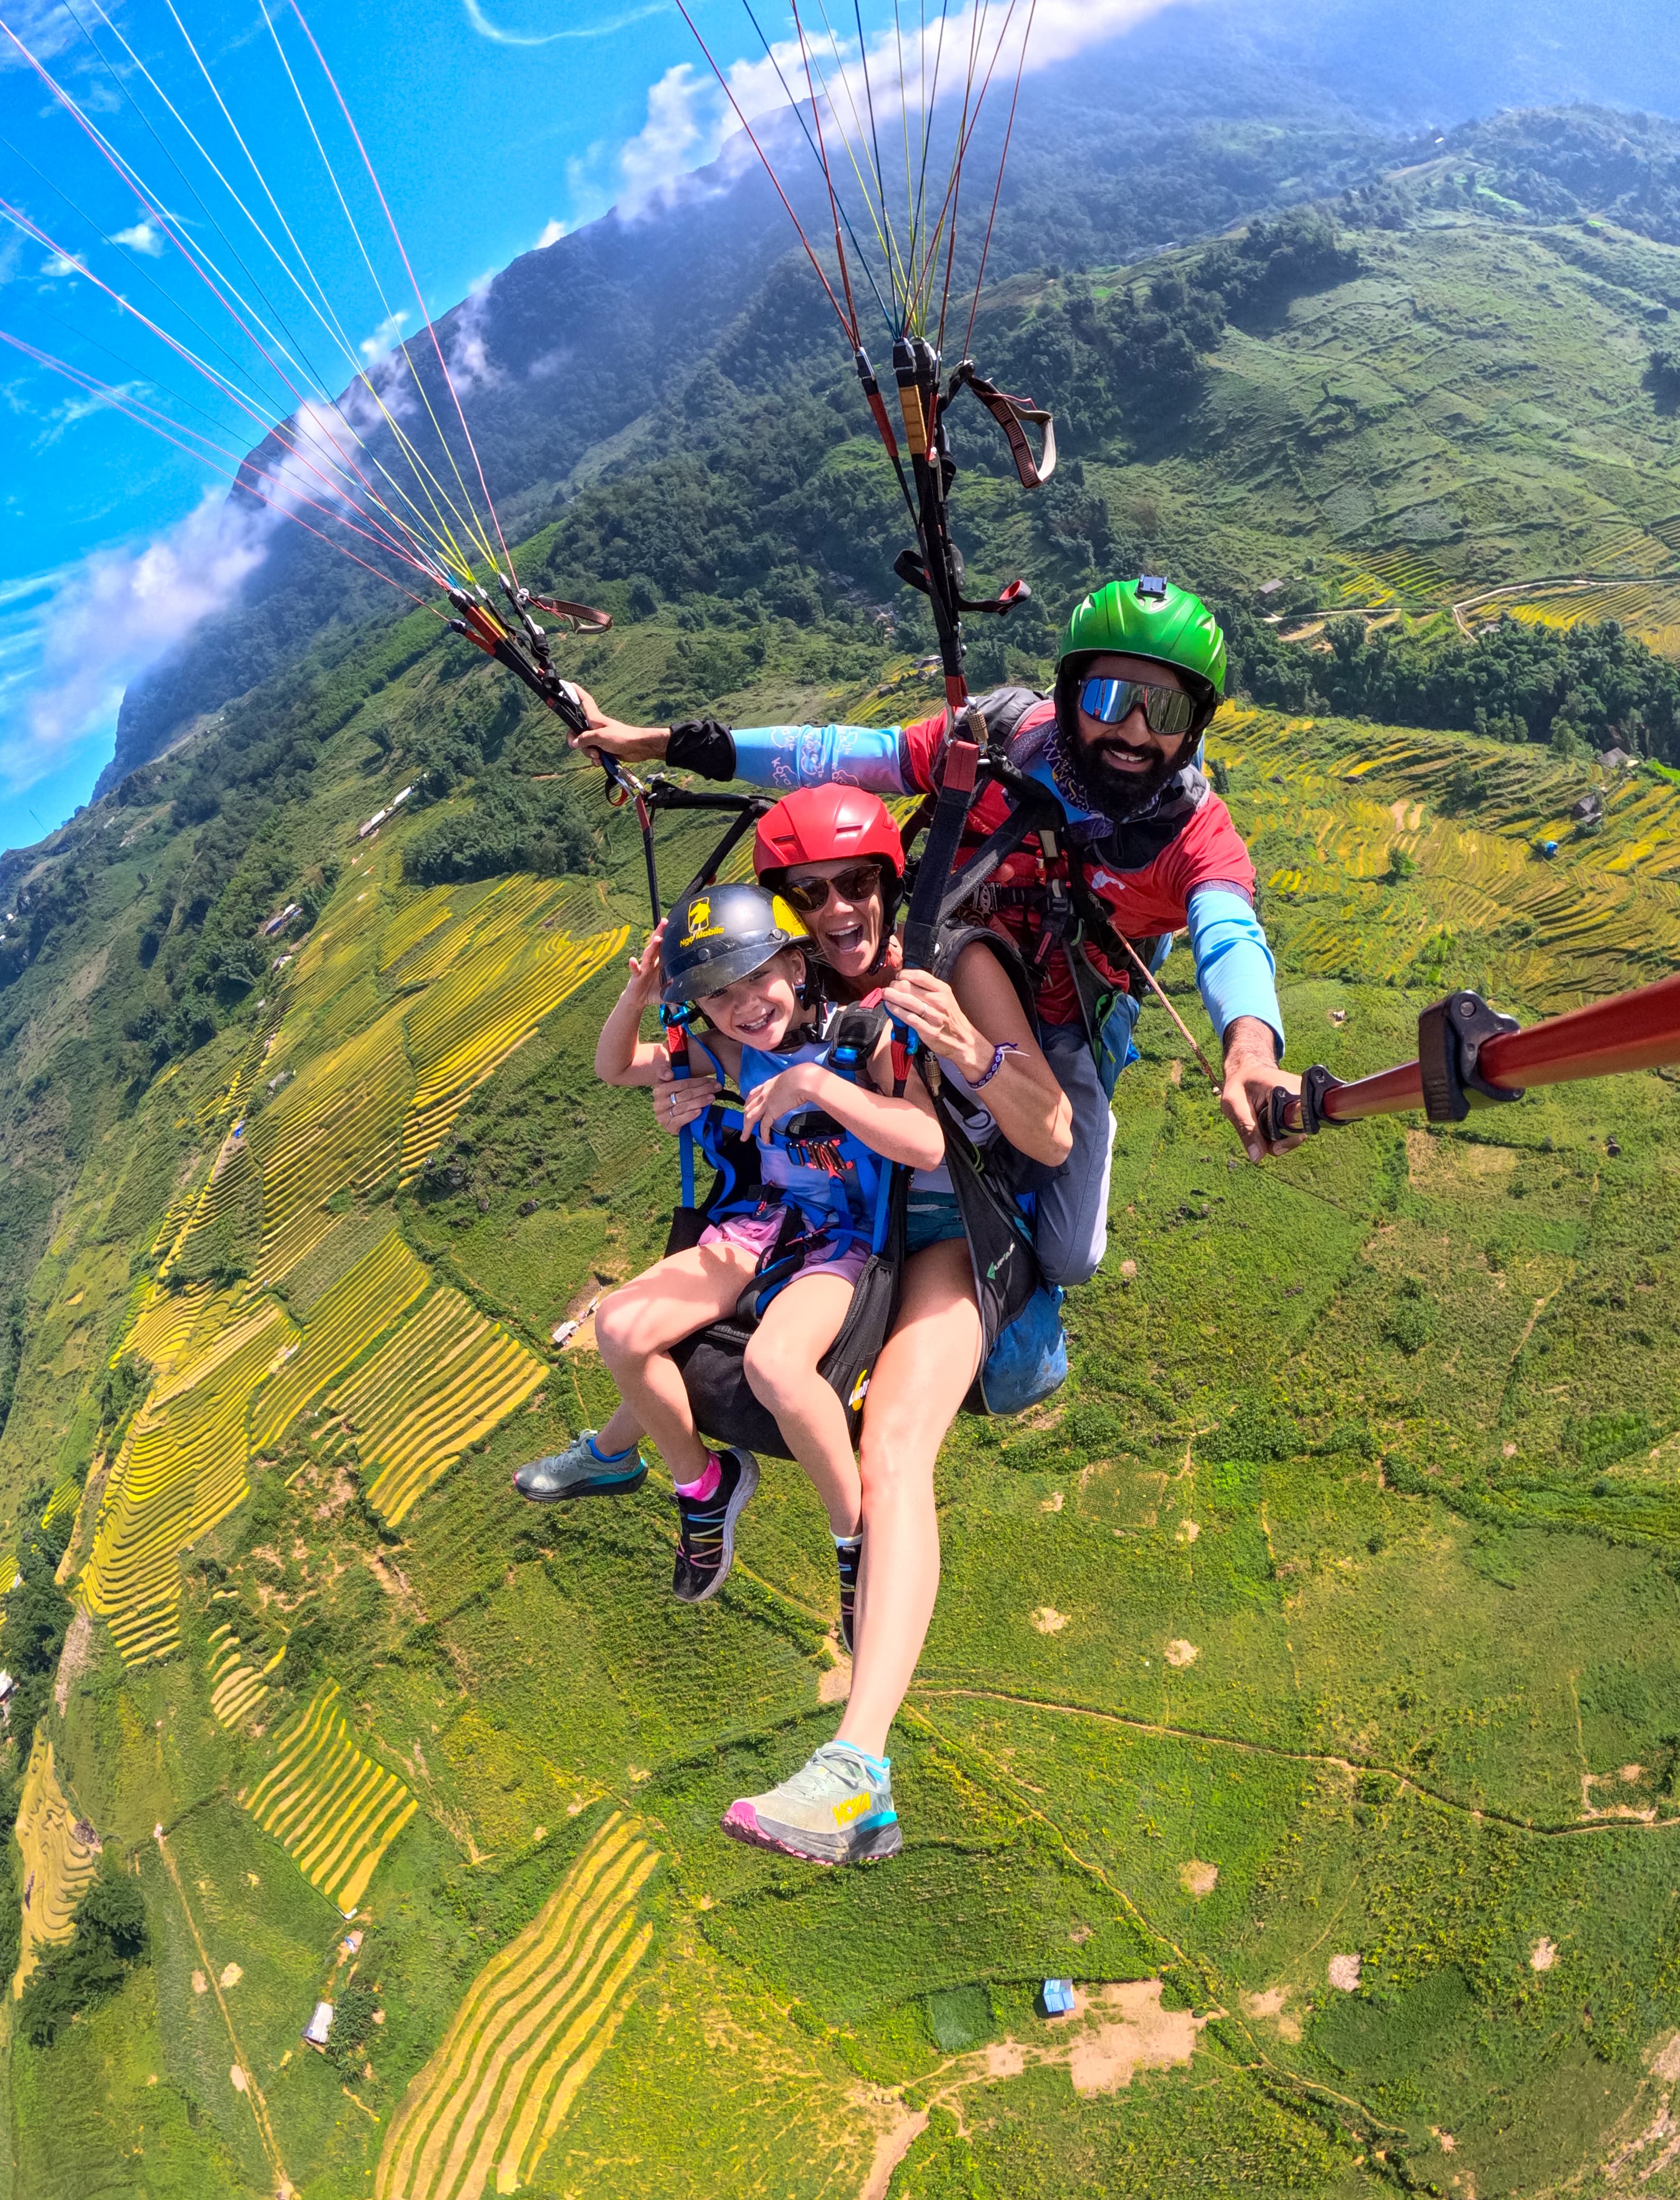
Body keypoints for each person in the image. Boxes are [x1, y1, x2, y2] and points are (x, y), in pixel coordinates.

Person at [567, 575, 1301, 1285]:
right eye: (1111, 698)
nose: (1134, 731)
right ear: (1074, 693)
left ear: (1195, 727)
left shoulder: (1195, 836)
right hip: (949, 957)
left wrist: (1251, 1048)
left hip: (1064, 999)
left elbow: (1230, 933)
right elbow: (843, 755)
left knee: (1069, 1256)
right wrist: (662, 742)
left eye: (1165, 712)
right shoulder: (999, 740)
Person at [513, 884, 945, 1640]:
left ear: (796, 961)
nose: (745, 1006)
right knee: (619, 1326)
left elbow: (926, 1143)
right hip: (758, 1225)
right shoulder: (727, 1053)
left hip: (843, 1236)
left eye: (757, 979)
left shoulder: (862, 1039)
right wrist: (640, 991)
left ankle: (856, 1538)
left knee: (777, 1367)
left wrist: (814, 1084)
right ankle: (701, 1484)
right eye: (718, 996)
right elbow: (616, 1066)